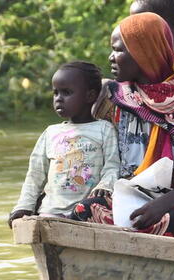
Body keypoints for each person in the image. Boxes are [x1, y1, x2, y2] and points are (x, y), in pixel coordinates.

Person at [70, 12, 174, 241]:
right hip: (130, 194)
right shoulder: (117, 97)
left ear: (143, 52)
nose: (111, 57)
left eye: (119, 50)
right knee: (84, 210)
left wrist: (161, 205)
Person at [8, 62, 120, 228]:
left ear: (90, 96)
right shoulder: (50, 133)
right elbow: (35, 176)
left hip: (87, 212)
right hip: (50, 211)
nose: (58, 98)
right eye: (55, 93)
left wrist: (105, 186)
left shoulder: (104, 129)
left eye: (66, 92)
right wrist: (24, 206)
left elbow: (113, 165)